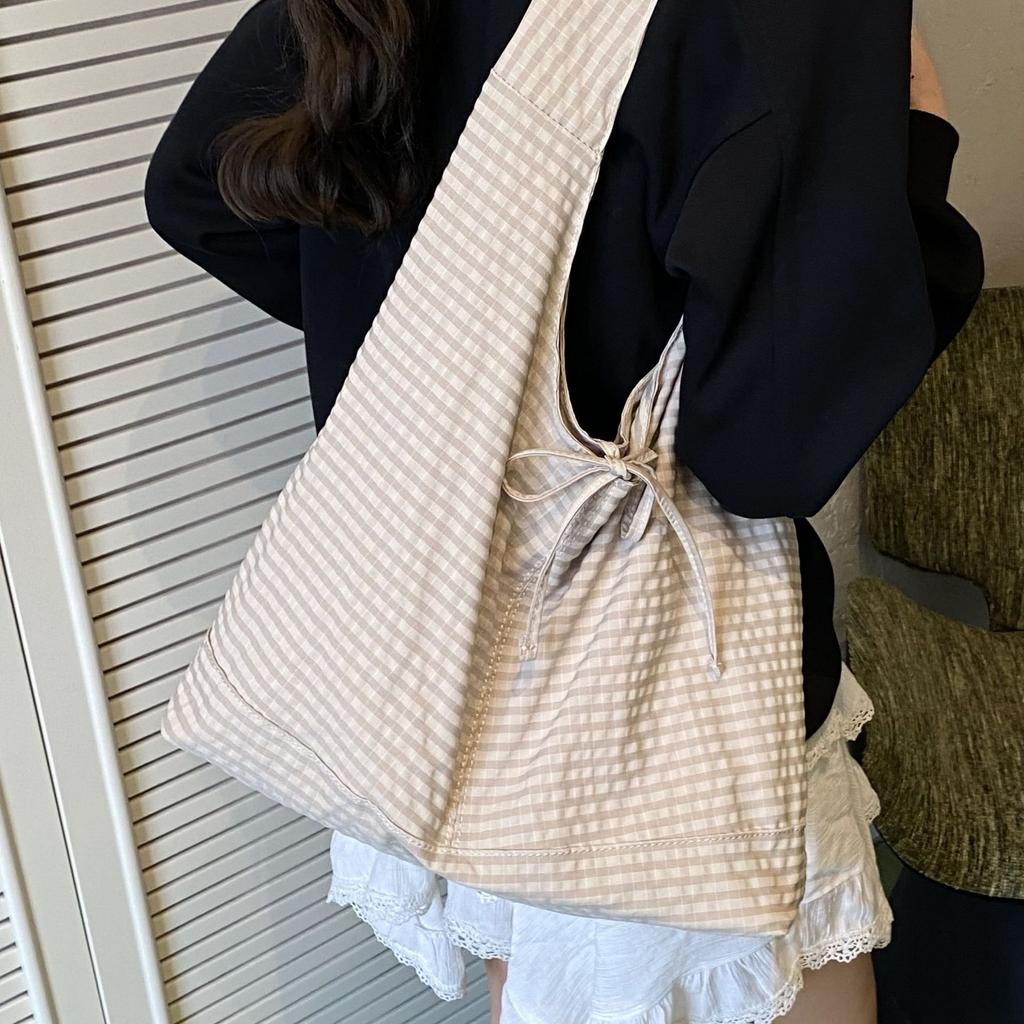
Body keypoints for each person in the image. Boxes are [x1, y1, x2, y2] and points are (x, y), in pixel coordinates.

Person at [144, 2, 985, 1021]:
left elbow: (195, 186)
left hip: (446, 670)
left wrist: (441, 362)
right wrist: (919, 135)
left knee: (533, 968)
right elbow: (771, 448)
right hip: (657, 707)